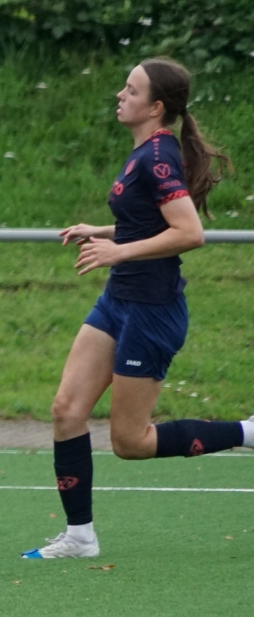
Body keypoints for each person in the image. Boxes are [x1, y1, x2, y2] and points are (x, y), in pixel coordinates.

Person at [24, 57, 246, 560]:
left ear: (156, 107)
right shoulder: (144, 152)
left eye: (131, 90)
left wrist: (118, 251)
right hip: (117, 300)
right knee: (66, 410)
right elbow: (148, 220)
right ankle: (79, 537)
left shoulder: (158, 157)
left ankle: (246, 432)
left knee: (131, 441)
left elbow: (190, 233)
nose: (120, 96)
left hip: (151, 310)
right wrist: (102, 230)